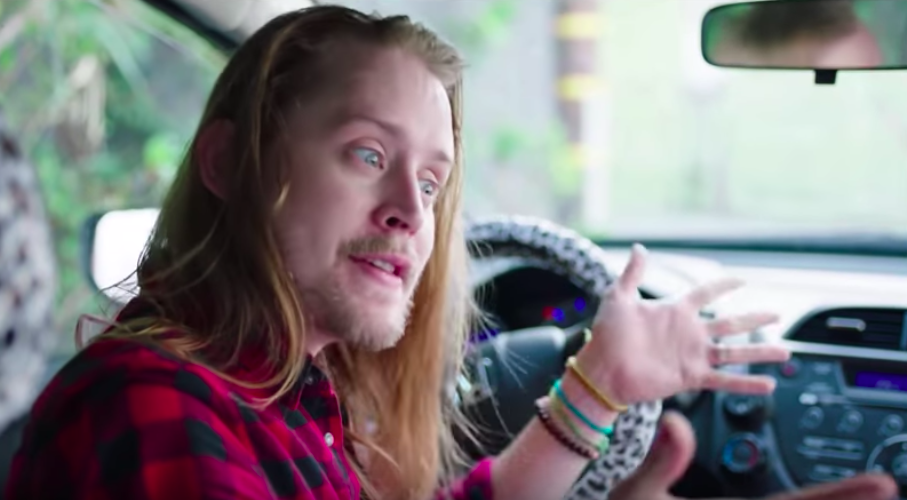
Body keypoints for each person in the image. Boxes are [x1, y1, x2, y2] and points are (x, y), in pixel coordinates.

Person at [5, 6, 898, 500]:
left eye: (432, 184)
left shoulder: (286, 393)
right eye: (367, 155)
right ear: (229, 163)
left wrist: (595, 389)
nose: (409, 211)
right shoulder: (152, 408)